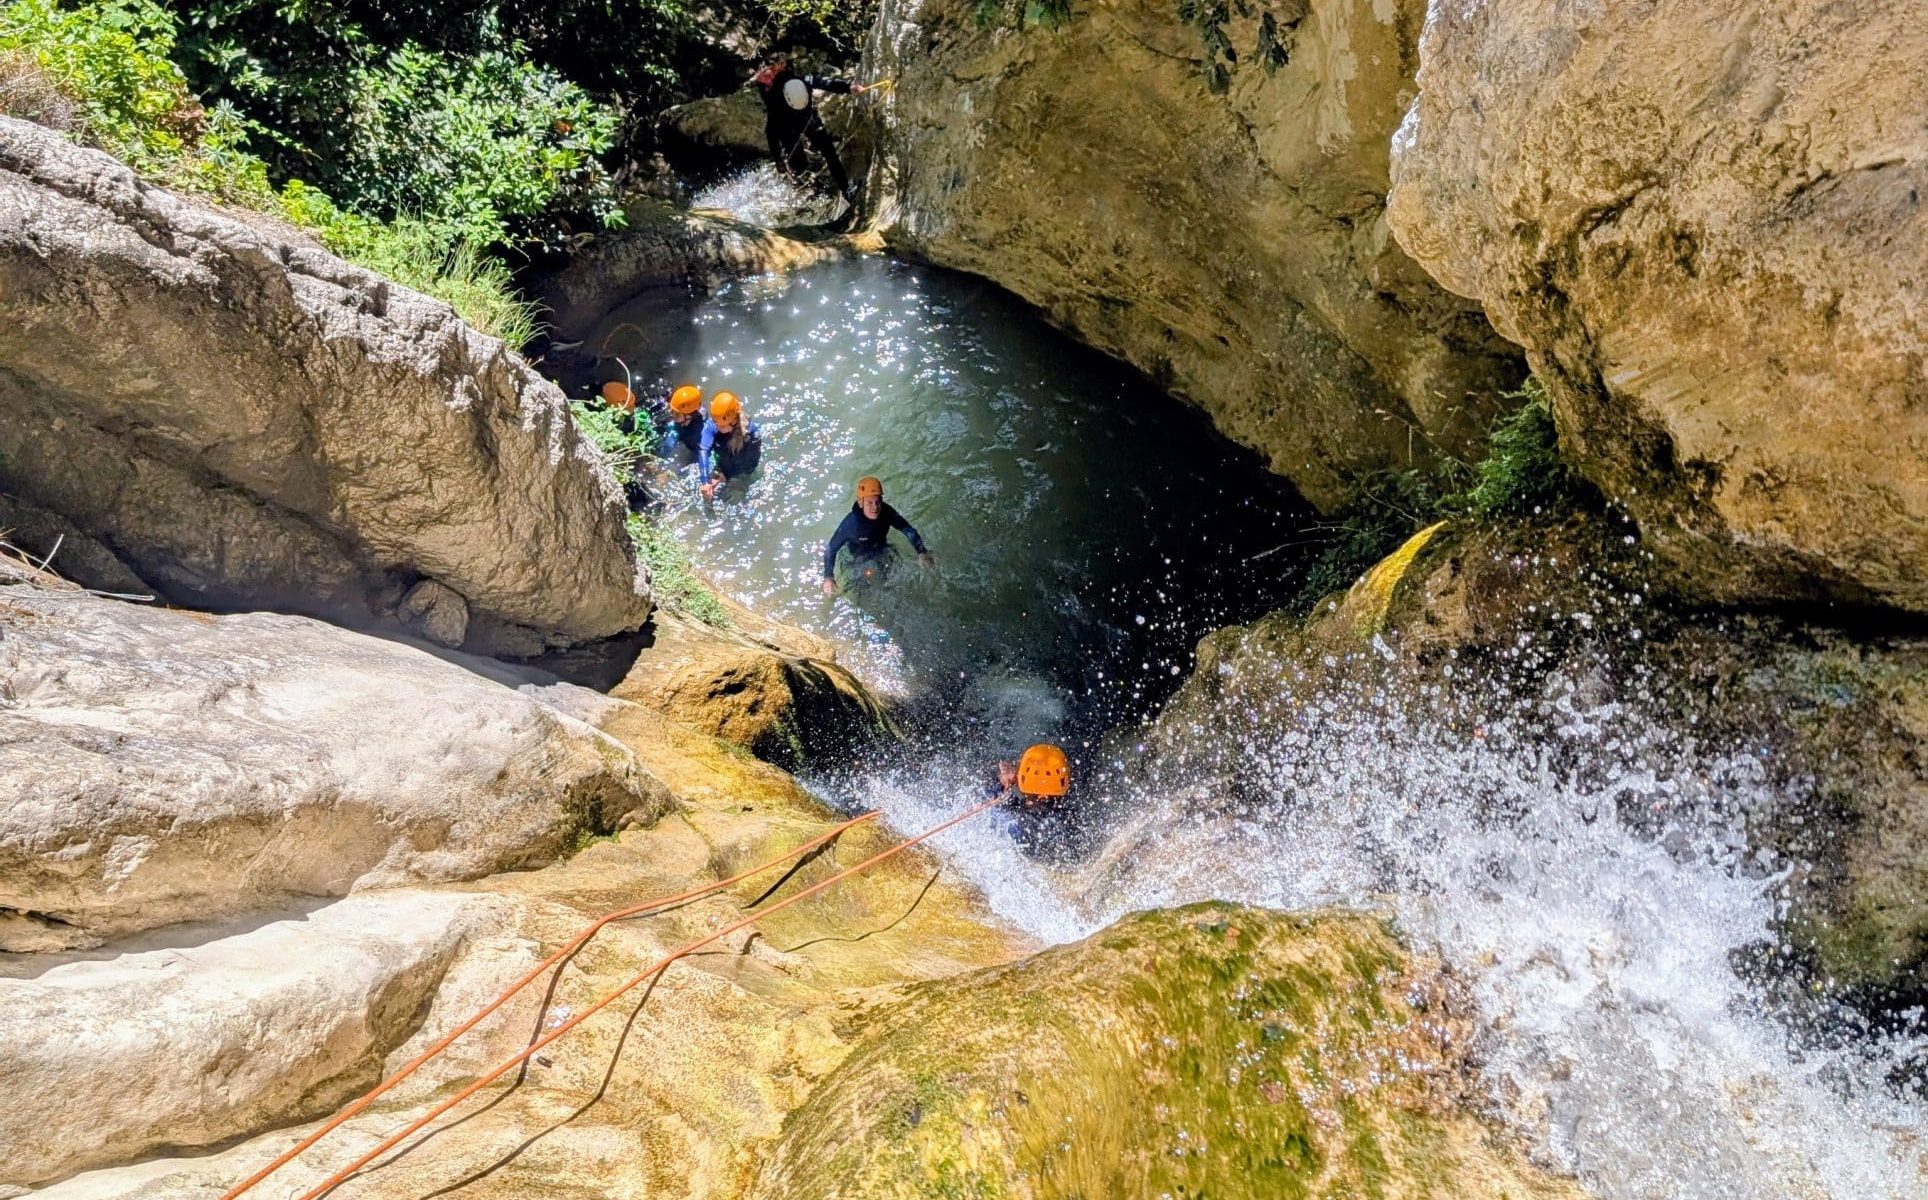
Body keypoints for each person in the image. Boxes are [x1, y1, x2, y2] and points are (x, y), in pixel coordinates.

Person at [751, 49, 868, 203]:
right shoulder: (775, 103)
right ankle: (810, 192)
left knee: (829, 152)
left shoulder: (800, 81)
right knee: (798, 163)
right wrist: (778, 159)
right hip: (787, 126)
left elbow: (824, 83)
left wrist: (849, 88)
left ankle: (846, 190)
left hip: (807, 119)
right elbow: (771, 132)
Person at [821, 475, 931, 595]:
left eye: (878, 502)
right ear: (861, 502)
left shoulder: (887, 512)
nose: (875, 507)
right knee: (861, 590)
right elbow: (831, 548)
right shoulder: (851, 524)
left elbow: (906, 529)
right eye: (870, 502)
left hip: (881, 549)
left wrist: (922, 552)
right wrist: (828, 577)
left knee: (892, 583)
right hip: (857, 558)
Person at [989, 744, 1072, 856]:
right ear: (1066, 782)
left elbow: (991, 802)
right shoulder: (1068, 818)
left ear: (1019, 779)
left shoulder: (1014, 816)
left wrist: (1000, 782)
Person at [700, 392, 762, 500]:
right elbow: (703, 450)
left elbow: (750, 466)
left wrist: (728, 478)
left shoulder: (751, 435)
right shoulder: (713, 424)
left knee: (734, 499)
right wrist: (705, 481)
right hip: (722, 466)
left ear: (734, 422)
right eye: (715, 423)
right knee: (706, 495)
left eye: (722, 426)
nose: (717, 427)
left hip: (742, 473)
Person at [660, 384, 706, 468]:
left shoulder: (698, 437)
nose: (672, 415)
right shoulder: (681, 421)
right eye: (672, 411)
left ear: (690, 416)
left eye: (676, 414)